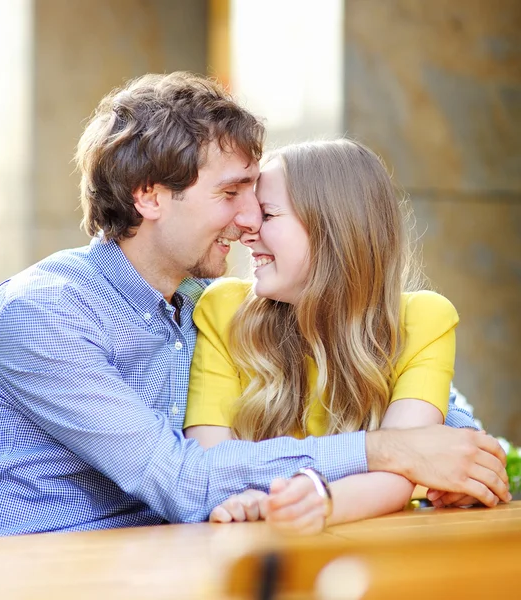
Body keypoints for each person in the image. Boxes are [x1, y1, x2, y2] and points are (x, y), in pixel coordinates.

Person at [0, 73, 509, 540]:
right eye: (230, 194)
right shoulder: (44, 313)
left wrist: (455, 455)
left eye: (255, 197)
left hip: (167, 560)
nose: (248, 219)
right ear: (150, 196)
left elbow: (412, 385)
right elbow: (183, 481)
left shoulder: (202, 307)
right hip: (27, 568)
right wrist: (392, 450)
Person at [184, 139, 510, 533]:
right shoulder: (223, 309)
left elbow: (405, 464)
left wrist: (318, 501)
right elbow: (208, 460)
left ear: (332, 231)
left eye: (267, 214)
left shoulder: (424, 320)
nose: (247, 230)